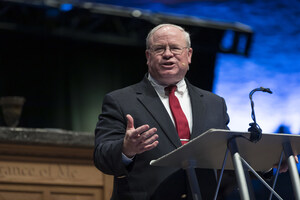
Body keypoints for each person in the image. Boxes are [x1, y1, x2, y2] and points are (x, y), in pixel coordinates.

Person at [93, 23, 230, 200]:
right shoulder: (120, 101)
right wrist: (126, 149)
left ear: (188, 55)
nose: (167, 54)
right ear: (148, 56)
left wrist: (268, 163)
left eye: (175, 48)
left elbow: (227, 156)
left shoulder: (215, 103)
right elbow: (101, 158)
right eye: (159, 49)